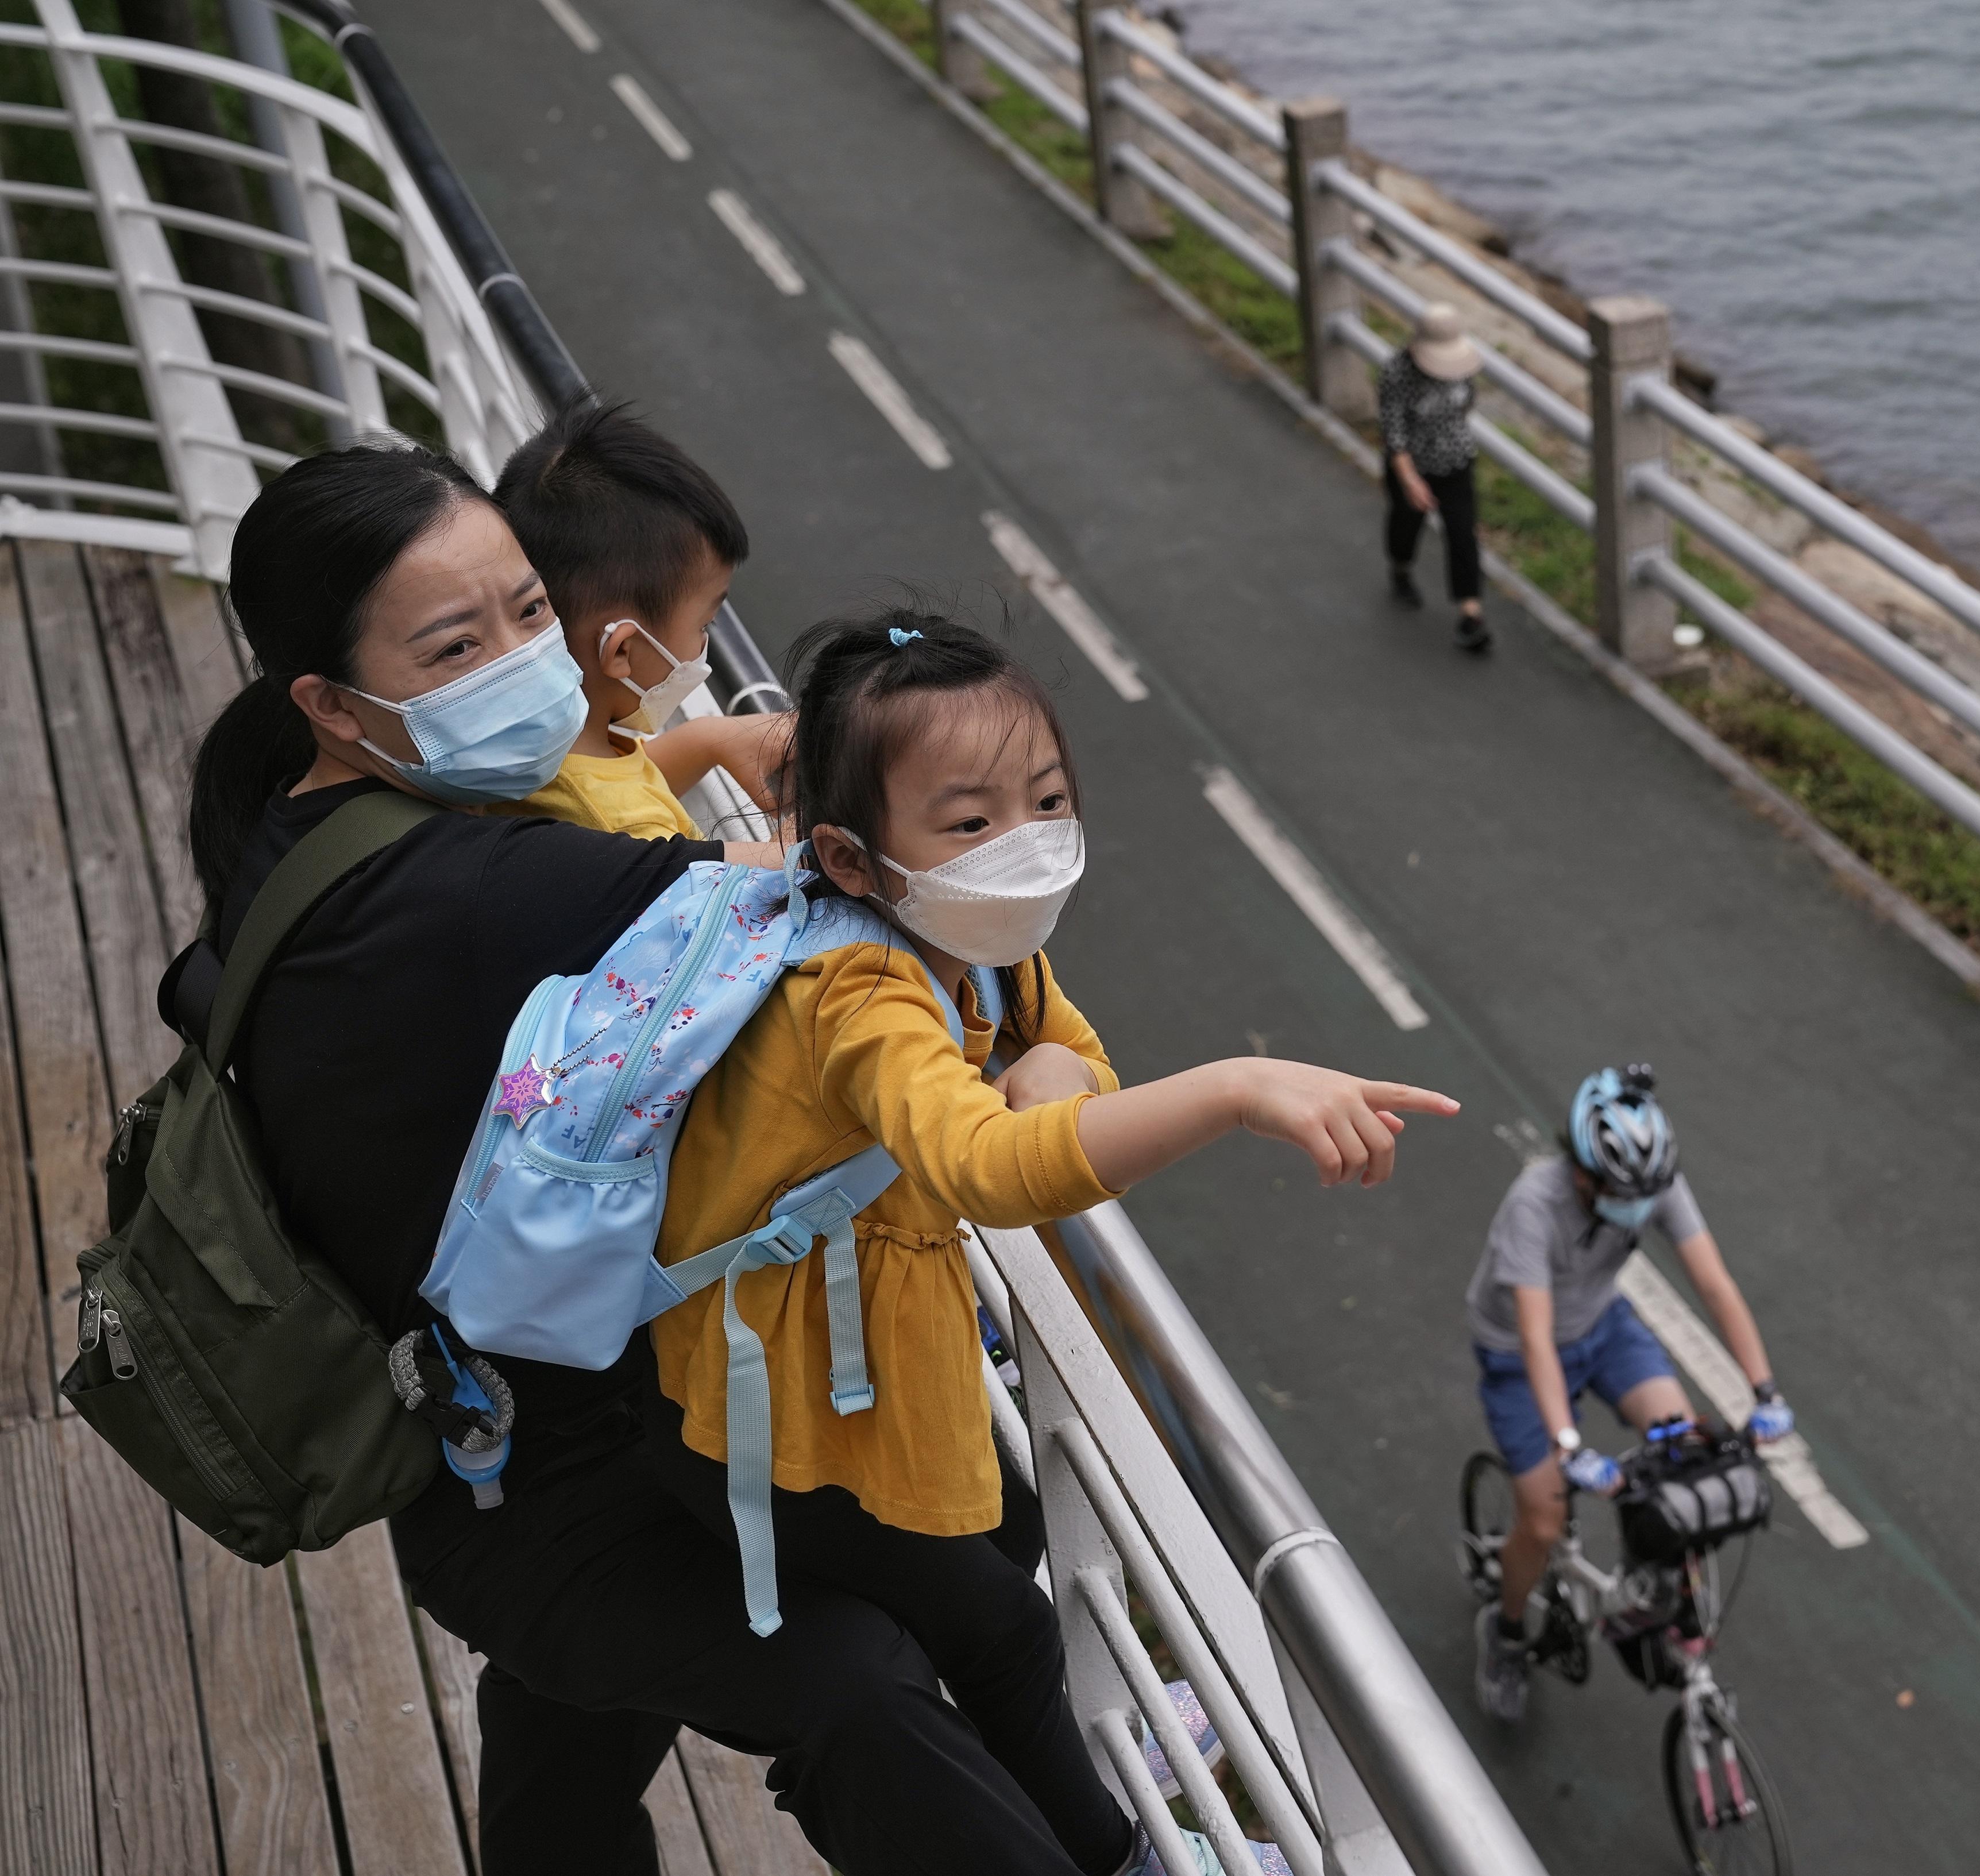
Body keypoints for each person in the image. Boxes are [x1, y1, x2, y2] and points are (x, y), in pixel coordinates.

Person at [153, 439, 1397, 1876]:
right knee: (860, 1673)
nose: (527, 658)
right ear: (325, 697)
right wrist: (1107, 1058)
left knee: (794, 1640)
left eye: (521, 609)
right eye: (456, 641)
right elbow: (866, 910)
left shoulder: (310, 821)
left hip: (501, 1403)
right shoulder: (479, 892)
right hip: (526, 1466)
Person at [637, 611, 1456, 1875]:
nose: (1021, 843)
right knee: (1011, 1634)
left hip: (852, 1366)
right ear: (850, 860)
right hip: (778, 1416)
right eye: (968, 822)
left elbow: (1076, 1072)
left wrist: (1055, 1061)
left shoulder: (981, 938)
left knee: (1007, 1537)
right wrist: (1236, 1086)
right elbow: (988, 1165)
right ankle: (1121, 1855)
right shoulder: (856, 988)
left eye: (1048, 798)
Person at [1463, 1065, 1794, 1722]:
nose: (1637, 1205)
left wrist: (1765, 1390)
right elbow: (1535, 1340)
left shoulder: (1652, 1182)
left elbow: (1716, 1285)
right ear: (1583, 1171)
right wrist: (1569, 1444)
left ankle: (1644, 1596)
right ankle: (1504, 1630)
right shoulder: (1536, 1203)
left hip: (1604, 1326)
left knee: (1683, 1448)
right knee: (1545, 1517)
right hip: (1518, 1353)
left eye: (1647, 1192)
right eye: (1621, 1191)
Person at [488, 397, 788, 835]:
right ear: (623, 650)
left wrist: (706, 740)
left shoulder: (531, 754)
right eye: (704, 625)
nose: (701, 648)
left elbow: (610, 787)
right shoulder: (633, 835)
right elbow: (621, 818)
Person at [1379, 302, 1489, 653]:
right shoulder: (1397, 373)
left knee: (1463, 533)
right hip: (1412, 466)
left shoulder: (1461, 369)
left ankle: (1471, 615)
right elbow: (1394, 434)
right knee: (1407, 523)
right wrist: (1411, 480)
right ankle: (1400, 567)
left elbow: (1466, 403)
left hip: (1456, 461)